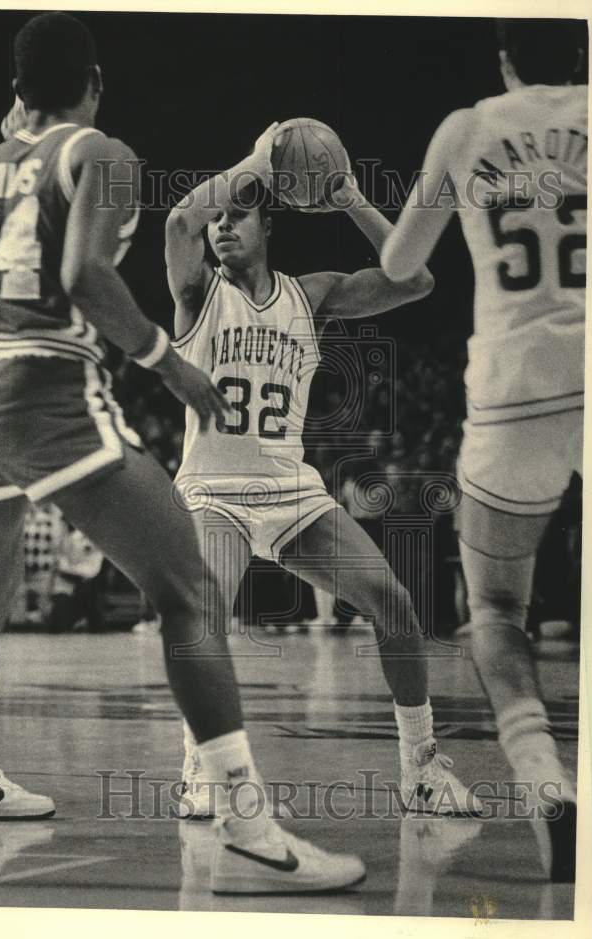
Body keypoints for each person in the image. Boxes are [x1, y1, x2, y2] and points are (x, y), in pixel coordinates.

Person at [0, 11, 366, 894]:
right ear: (94, 81)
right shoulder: (101, 152)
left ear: (16, 90)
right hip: (41, 387)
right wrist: (166, 362)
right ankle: (251, 836)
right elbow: (81, 279)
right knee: (188, 592)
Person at [165, 124, 480, 818]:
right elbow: (181, 217)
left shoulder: (311, 296)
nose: (221, 227)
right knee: (205, 615)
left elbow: (414, 278)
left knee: (395, 605)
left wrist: (347, 197)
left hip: (291, 491)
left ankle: (420, 770)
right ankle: (198, 766)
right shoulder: (196, 295)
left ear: (267, 224)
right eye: (218, 218)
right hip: (213, 491)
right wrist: (253, 161)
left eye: (238, 215)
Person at [380, 18, 585, 881]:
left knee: (498, 612)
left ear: (503, 62)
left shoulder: (465, 128)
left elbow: (398, 267)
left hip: (511, 392)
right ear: (581, 56)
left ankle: (545, 782)